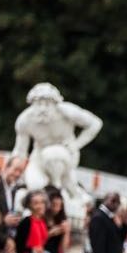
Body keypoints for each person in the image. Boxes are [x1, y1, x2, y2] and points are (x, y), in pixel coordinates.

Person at [12, 83, 102, 214]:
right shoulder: (24, 120)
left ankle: (64, 191)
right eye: (38, 104)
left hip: (65, 152)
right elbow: (21, 151)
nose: (42, 109)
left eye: (47, 104)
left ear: (55, 104)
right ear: (31, 104)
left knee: (52, 155)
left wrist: (77, 144)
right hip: (39, 154)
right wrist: (15, 172)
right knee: (35, 187)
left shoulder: (67, 111)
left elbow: (95, 123)